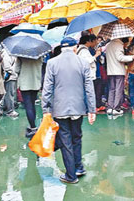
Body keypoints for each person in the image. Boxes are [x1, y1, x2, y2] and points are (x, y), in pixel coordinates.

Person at [42, 37, 96, 184]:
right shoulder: (83, 63)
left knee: (65, 140)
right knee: (77, 137)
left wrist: (45, 109)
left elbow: (47, 89)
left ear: (61, 48)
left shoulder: (52, 63)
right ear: (75, 47)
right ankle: (79, 167)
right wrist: (92, 110)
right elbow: (89, 89)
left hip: (60, 109)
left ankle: (71, 176)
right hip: (79, 108)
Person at [105, 37, 134, 116]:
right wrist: (132, 57)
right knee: (118, 89)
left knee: (112, 89)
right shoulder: (118, 45)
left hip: (110, 70)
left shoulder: (109, 45)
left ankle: (110, 107)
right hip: (118, 70)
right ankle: (116, 108)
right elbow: (120, 58)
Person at [15, 55, 43, 138]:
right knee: (32, 104)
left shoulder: (21, 56)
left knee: (28, 106)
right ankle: (33, 125)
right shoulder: (39, 56)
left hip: (25, 83)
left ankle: (33, 127)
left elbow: (16, 70)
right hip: (36, 82)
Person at [1, 47, 19, 118]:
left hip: (12, 76)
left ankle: (5, 107)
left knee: (9, 93)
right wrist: (13, 71)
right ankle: (10, 110)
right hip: (10, 77)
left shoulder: (10, 53)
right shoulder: (7, 53)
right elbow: (7, 67)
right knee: (10, 93)